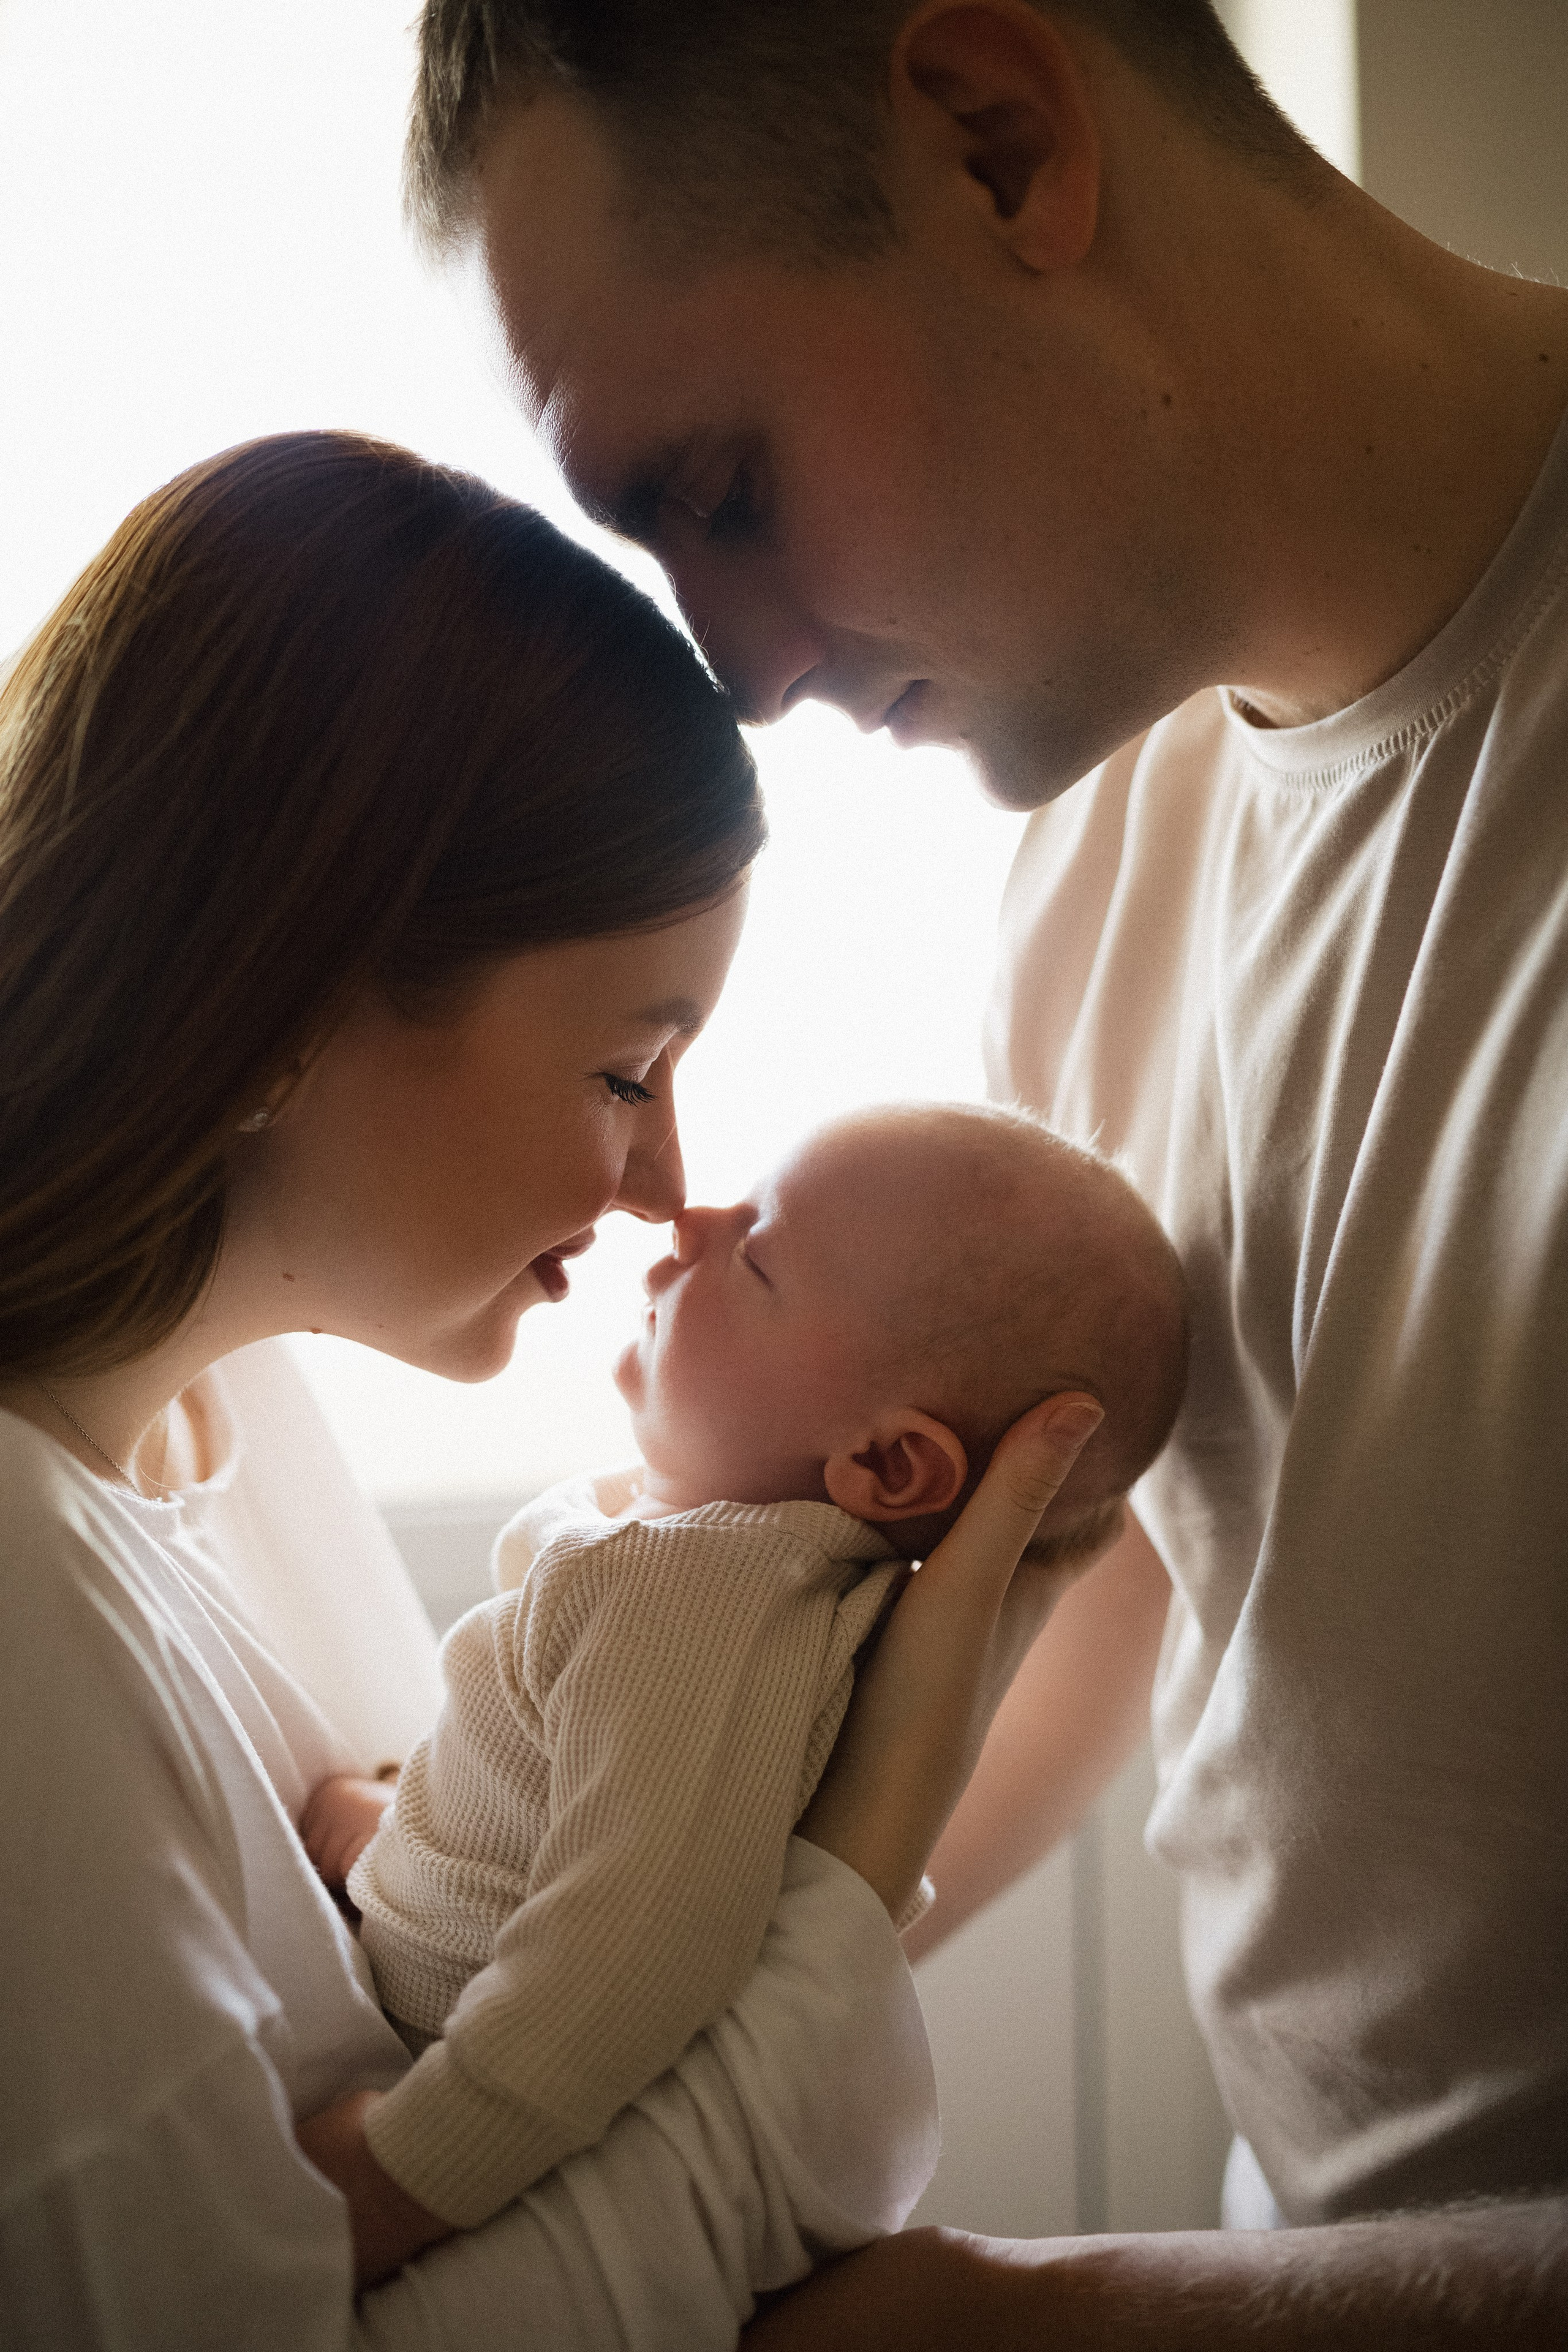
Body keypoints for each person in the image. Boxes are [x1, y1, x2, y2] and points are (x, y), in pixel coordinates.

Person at [401, 0, 1568, 2340]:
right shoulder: (1110, 843)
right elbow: (1130, 1556)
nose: (734, 673)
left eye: (722, 491)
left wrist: (1055, 2323)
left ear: (1000, 138)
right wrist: (701, 1977)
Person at [0, 428, 1105, 2349]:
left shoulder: (229, 1412)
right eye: (622, 1072)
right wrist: (853, 1871)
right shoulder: (21, 1603)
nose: (670, 1183)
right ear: (287, 1005)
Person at [301, 1102, 1185, 2304]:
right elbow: (577, 1782)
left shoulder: (693, 1601)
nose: (693, 1219)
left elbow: (622, 1957)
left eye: (758, 1257)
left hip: (493, 2128)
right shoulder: (715, 1573)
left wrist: (404, 2174)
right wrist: (417, 1824)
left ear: (886, 1464)